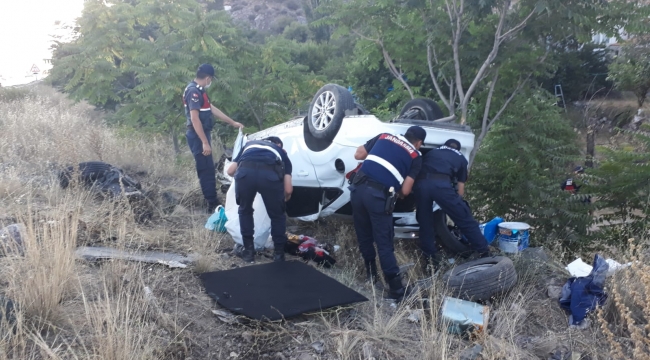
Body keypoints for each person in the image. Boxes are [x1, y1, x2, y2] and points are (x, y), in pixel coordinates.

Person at [349, 126, 426, 302]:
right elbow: (406, 190)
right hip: (377, 196)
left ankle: (371, 276)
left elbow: (358, 155)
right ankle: (397, 290)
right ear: (419, 143)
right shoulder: (416, 156)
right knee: (384, 242)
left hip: (357, 190)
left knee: (364, 235)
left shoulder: (384, 136)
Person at [415, 139, 490, 274]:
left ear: (444, 146)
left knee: (425, 223)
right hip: (441, 185)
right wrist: (452, 205)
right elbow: (460, 190)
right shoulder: (460, 157)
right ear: (458, 149)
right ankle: (484, 252)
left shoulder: (431, 152)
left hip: (421, 184)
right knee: (464, 217)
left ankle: (431, 262)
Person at [183, 63, 243, 213]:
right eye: (211, 80)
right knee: (206, 169)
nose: (211, 82)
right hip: (198, 136)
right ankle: (212, 204)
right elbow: (195, 119)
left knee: (209, 167)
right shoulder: (193, 92)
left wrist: (232, 122)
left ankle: (212, 200)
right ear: (208, 78)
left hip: (201, 134)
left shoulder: (199, 90)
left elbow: (211, 108)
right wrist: (204, 142)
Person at [226, 136, 293, 263]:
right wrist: (283, 199)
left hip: (245, 173)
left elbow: (230, 171)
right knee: (277, 216)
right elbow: (288, 190)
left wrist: (246, 182)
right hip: (270, 177)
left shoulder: (249, 146)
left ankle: (248, 252)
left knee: (245, 211)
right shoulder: (281, 153)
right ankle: (279, 254)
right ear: (279, 145)